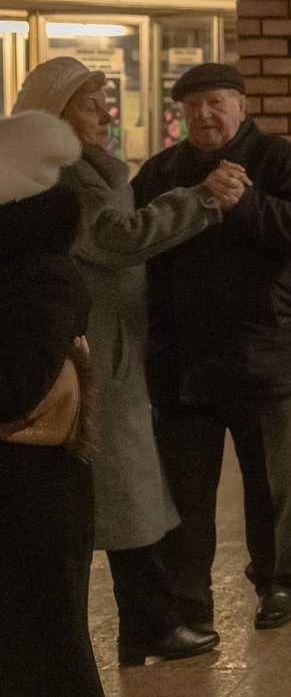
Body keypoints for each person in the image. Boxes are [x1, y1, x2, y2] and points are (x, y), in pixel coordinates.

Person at [15, 58, 234, 665]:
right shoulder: (64, 177)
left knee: (123, 494)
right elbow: (116, 239)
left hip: (108, 352)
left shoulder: (76, 169)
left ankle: (147, 622)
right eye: (94, 104)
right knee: (119, 494)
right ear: (57, 113)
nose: (108, 114)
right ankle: (144, 625)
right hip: (90, 358)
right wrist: (201, 200)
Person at [133, 63, 291, 631]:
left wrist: (244, 203)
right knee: (184, 496)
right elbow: (134, 240)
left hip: (261, 353)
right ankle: (187, 604)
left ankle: (277, 584)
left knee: (273, 486)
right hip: (180, 360)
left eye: (215, 102)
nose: (202, 115)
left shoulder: (277, 159)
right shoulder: (160, 170)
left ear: (241, 106)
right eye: (191, 106)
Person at [0, 111, 102, 697]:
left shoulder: (37, 273)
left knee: (43, 658)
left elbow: (16, 383)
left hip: (25, 500)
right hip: (22, 494)